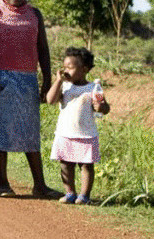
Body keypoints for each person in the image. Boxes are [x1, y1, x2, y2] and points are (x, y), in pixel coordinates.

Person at [0, 0, 60, 198]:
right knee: (0, 132)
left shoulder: (34, 14)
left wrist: (46, 79)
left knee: (30, 133)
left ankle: (40, 185)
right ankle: (3, 183)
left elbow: (43, 49)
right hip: (1, 80)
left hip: (27, 80)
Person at [46, 46, 109, 205]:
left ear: (84, 69)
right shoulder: (65, 86)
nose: (65, 70)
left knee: (86, 166)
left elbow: (104, 107)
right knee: (65, 165)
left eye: (70, 67)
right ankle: (70, 193)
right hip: (65, 133)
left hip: (86, 134)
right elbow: (50, 100)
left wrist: (100, 107)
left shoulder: (93, 87)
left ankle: (84, 195)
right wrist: (58, 80)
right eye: (64, 67)